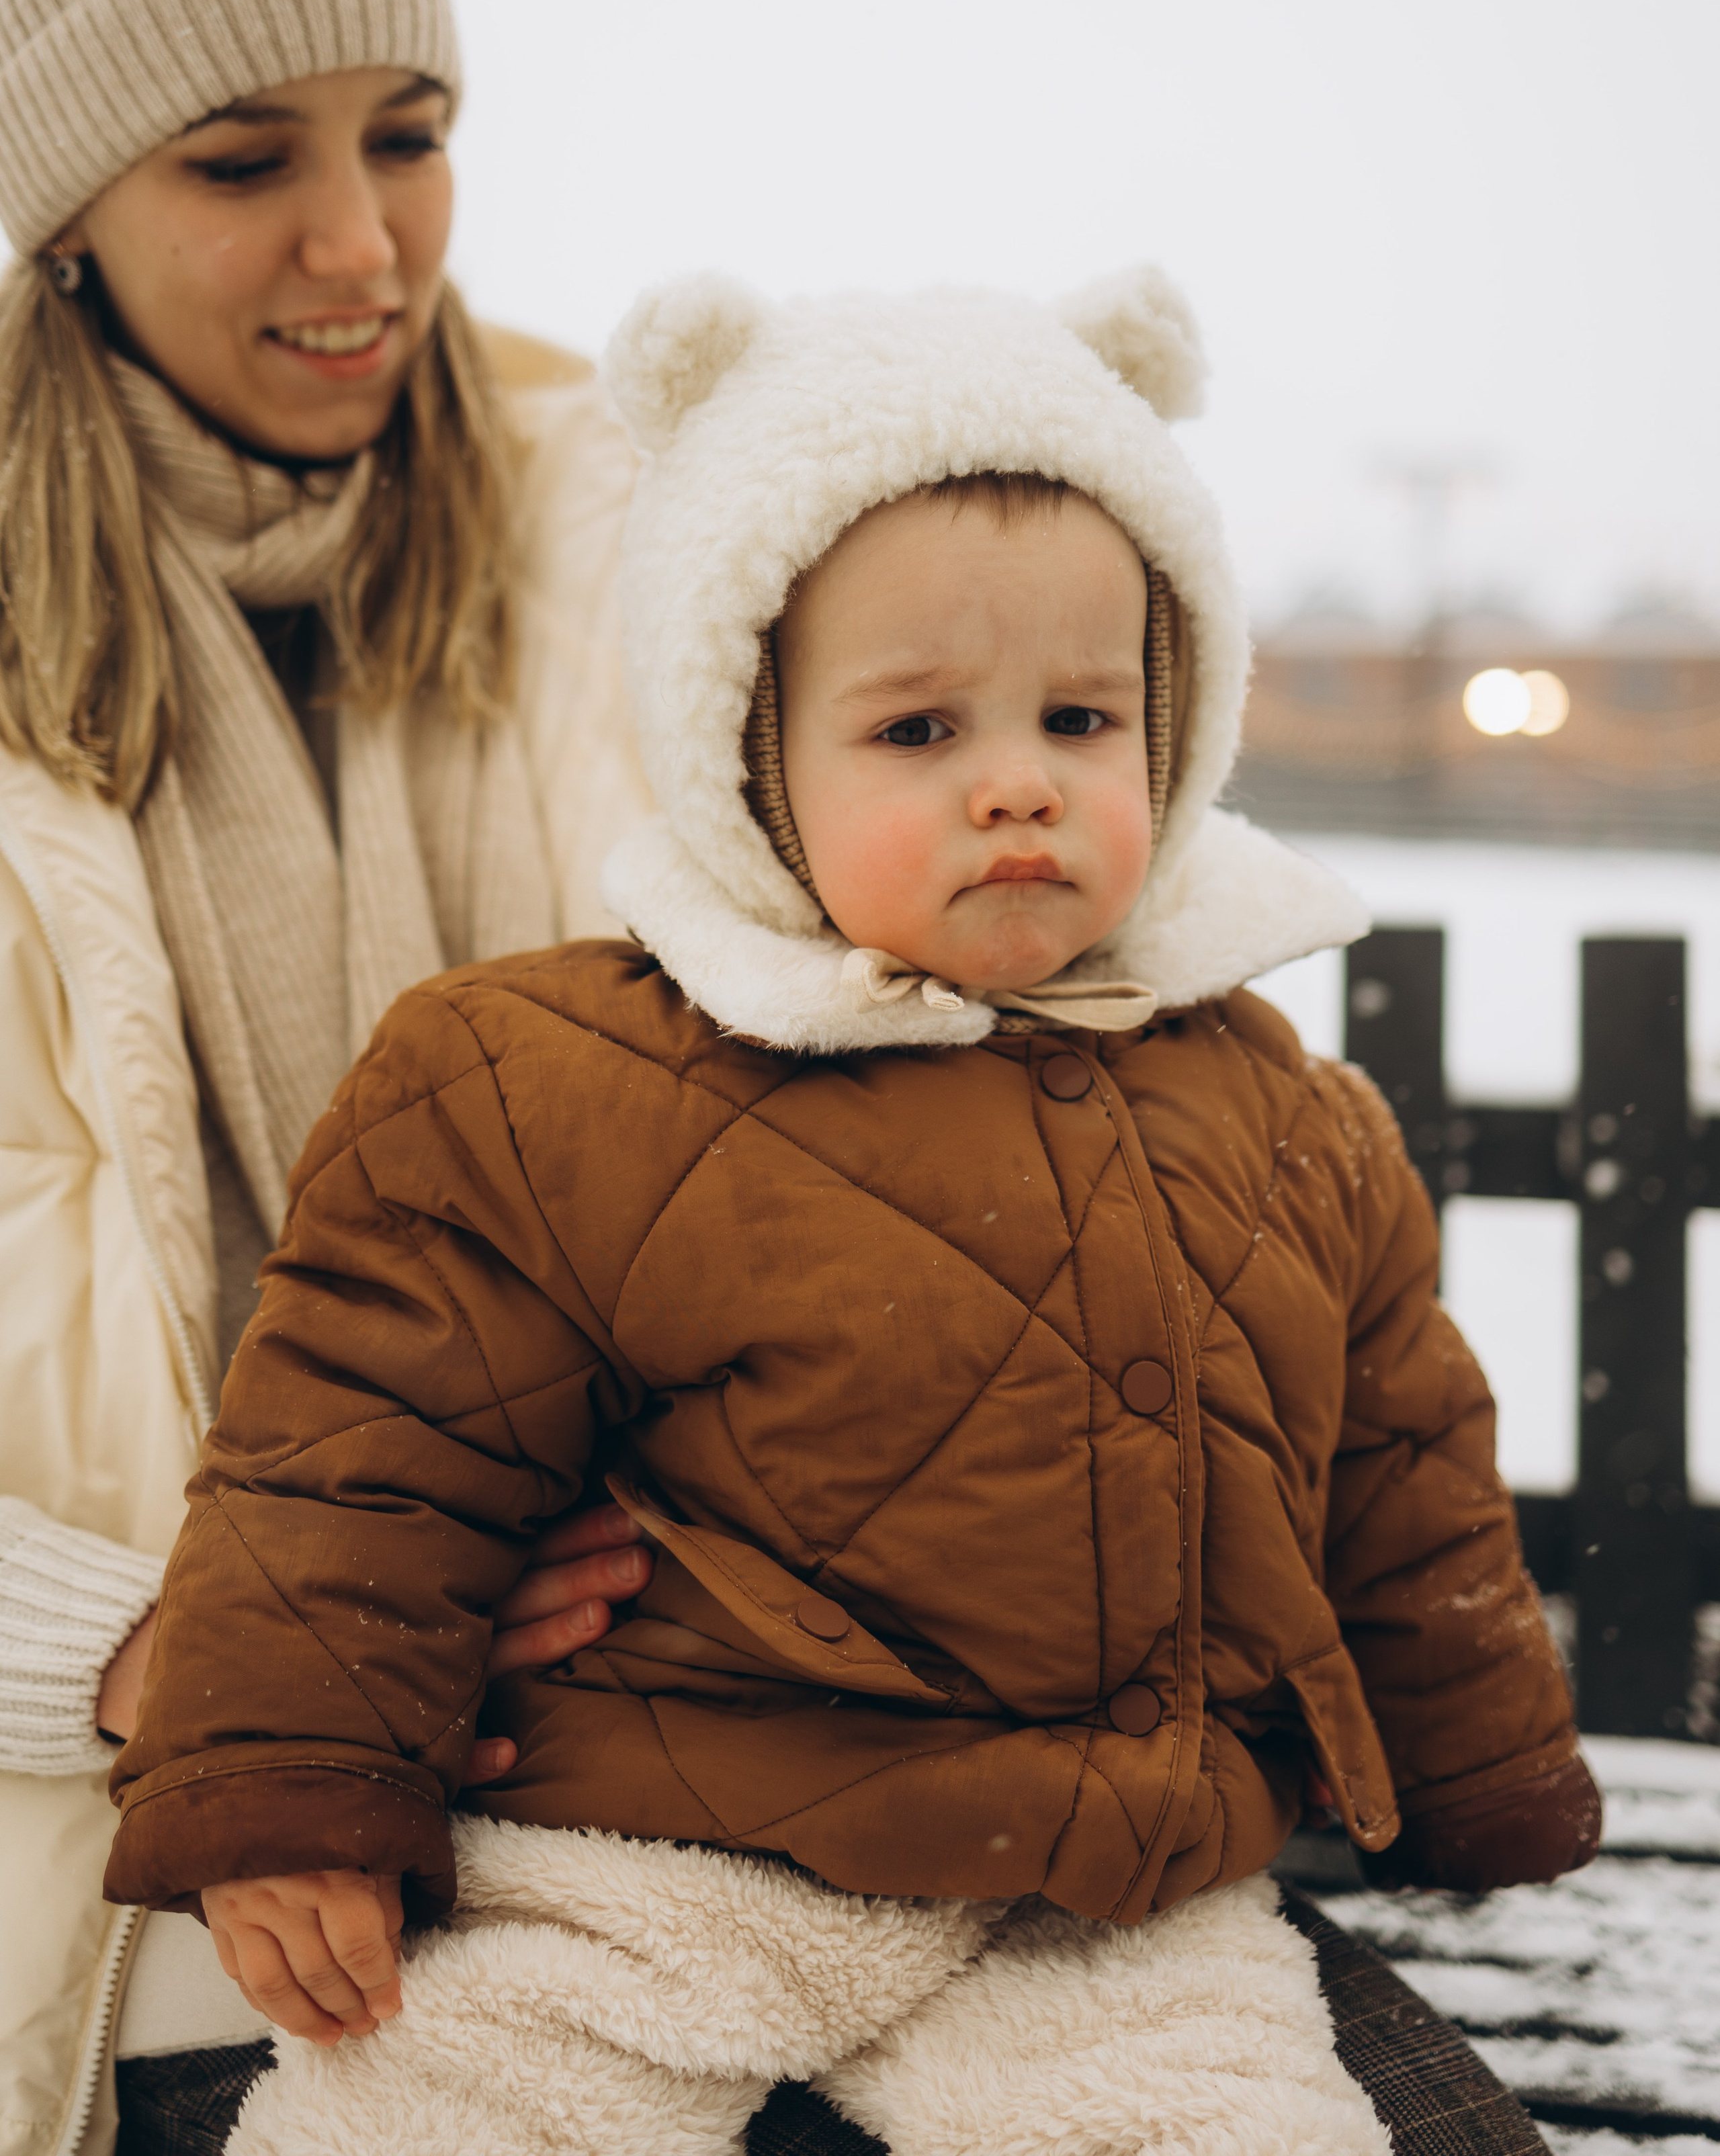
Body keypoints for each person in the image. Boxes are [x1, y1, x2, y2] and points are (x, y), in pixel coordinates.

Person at [108, 267, 1602, 2155]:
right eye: (916, 735)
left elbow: (1400, 1475)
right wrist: (291, 1802)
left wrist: (1491, 1772)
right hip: (659, 1852)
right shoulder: (556, 1082)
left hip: (1109, 1904)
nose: (1015, 788)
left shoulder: (1276, 1115)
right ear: (754, 756)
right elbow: (361, 1468)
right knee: (470, 2109)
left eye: (1079, 719)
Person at [0, 0, 658, 2156]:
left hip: (648, 1795)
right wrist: (164, 1659)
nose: (363, 243)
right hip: (127, 1922)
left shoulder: (624, 550)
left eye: (412, 132)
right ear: (62, 207)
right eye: (240, 156)